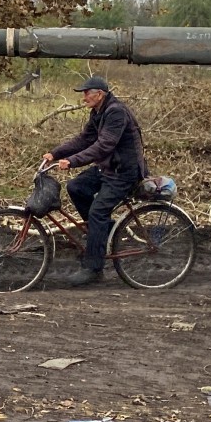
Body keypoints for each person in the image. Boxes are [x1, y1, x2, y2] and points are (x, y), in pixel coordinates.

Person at [43, 76, 146, 286]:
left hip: (124, 172)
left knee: (97, 212)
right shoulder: (98, 112)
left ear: (99, 94)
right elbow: (84, 140)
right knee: (76, 187)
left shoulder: (116, 112)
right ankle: (103, 233)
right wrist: (55, 154)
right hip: (108, 168)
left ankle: (94, 269)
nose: (83, 98)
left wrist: (72, 161)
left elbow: (104, 146)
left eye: (86, 93)